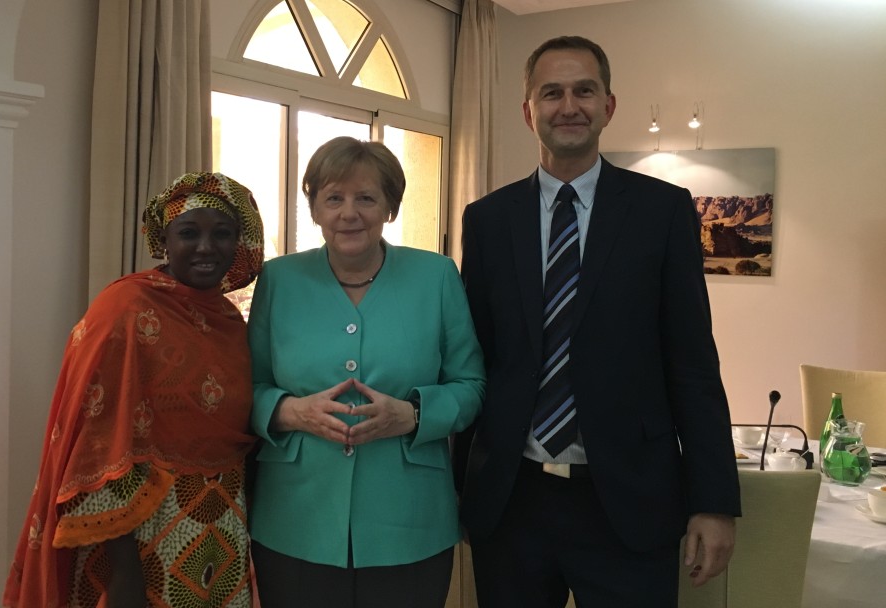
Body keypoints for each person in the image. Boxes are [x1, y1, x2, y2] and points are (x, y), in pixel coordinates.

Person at [455, 36, 740, 607]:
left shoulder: (662, 211)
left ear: (608, 106)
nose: (568, 106)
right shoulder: (487, 220)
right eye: (551, 92)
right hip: (513, 505)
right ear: (527, 110)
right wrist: (459, 486)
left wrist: (714, 500)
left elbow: (692, 364)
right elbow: (475, 361)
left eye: (584, 91)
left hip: (629, 505)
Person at [3, 172, 264, 608]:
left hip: (223, 533)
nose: (206, 247)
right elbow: (99, 442)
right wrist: (124, 572)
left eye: (222, 234)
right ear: (164, 239)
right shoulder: (125, 309)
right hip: (138, 537)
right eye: (189, 232)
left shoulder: (230, 320)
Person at [246, 136, 485, 608]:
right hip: (296, 517)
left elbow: (471, 385)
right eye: (333, 198)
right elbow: (246, 387)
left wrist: (414, 414)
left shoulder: (436, 276)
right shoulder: (278, 279)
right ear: (314, 207)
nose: (348, 213)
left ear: (390, 207)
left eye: (366, 198)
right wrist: (291, 412)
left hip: (409, 519)